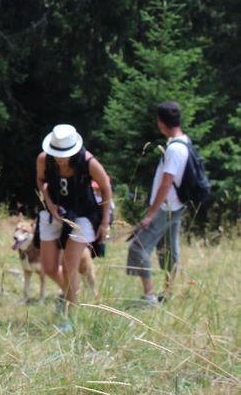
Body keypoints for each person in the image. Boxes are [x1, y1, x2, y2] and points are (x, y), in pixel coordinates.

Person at [36, 124, 112, 326]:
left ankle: (72, 316)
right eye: (56, 152)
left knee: (70, 264)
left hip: (84, 213)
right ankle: (72, 296)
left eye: (64, 153)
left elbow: (105, 187)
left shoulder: (89, 162)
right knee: (49, 267)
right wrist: (50, 203)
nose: (59, 157)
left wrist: (105, 222)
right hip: (55, 211)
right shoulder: (44, 159)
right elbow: (41, 180)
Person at [126, 101, 189, 305]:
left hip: (165, 207)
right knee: (170, 250)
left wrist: (150, 214)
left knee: (138, 247)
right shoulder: (185, 142)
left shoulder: (174, 150)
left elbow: (166, 184)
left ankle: (149, 297)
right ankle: (168, 293)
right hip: (176, 206)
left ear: (161, 122)